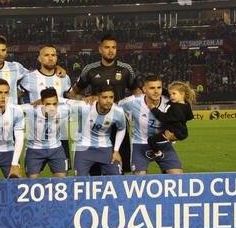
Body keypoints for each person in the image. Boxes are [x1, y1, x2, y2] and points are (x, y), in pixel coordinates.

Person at [68, 34, 142, 174]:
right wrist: (83, 99)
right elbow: (74, 92)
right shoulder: (90, 69)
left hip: (119, 120)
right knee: (95, 170)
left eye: (113, 47)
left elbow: (137, 92)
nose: (111, 50)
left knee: (119, 165)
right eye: (107, 47)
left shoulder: (126, 69)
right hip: (95, 122)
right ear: (100, 49)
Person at [19, 45, 72, 170]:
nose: (50, 58)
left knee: (62, 175)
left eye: (53, 55)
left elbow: (71, 97)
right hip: (35, 133)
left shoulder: (64, 78)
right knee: (33, 174)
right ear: (39, 58)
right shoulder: (29, 78)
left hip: (60, 132)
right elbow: (16, 94)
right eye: (46, 55)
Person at [119, 73, 183, 175]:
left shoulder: (170, 103)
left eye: (159, 87)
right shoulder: (132, 102)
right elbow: (112, 108)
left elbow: (181, 123)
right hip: (140, 145)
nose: (156, 91)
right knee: (139, 181)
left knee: (178, 178)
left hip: (164, 145)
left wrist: (176, 135)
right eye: (152, 88)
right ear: (144, 89)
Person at [68, 85, 126, 176]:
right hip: (83, 148)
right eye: (105, 97)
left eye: (111, 97)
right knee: (78, 181)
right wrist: (42, 101)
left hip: (105, 148)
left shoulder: (118, 111)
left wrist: (116, 151)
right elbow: (64, 102)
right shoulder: (85, 106)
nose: (108, 101)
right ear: (97, 98)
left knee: (117, 180)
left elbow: (122, 128)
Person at [21, 88, 70, 178]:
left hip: (56, 149)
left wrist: (93, 99)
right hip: (34, 149)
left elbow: (82, 105)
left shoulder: (64, 111)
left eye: (54, 104)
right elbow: (9, 108)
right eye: (48, 104)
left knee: (62, 181)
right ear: (42, 103)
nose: (52, 108)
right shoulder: (31, 110)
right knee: (33, 183)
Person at [146, 81, 195, 160]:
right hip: (179, 130)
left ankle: (158, 153)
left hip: (174, 132)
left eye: (174, 94)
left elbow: (164, 118)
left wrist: (153, 109)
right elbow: (189, 116)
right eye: (170, 94)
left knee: (151, 140)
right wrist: (159, 89)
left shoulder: (176, 108)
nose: (171, 96)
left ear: (182, 94)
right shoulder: (184, 104)